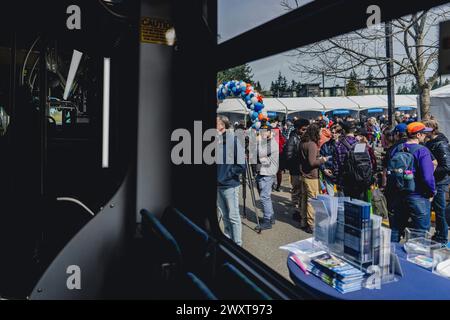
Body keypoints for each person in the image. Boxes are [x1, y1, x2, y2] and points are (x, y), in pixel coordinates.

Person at [387, 122, 436, 242]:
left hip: (399, 195)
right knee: (420, 233)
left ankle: (392, 255)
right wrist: (431, 192)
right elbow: (427, 177)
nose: (425, 135)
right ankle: (416, 258)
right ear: (418, 135)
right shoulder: (422, 151)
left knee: (396, 229)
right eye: (424, 133)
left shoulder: (397, 148)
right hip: (417, 196)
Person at [217, 115, 245, 246]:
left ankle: (238, 245)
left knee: (233, 217)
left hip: (229, 185)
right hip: (218, 185)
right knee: (225, 217)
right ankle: (228, 243)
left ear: (222, 125)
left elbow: (241, 165)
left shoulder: (233, 141)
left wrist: (226, 175)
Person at [423, 119, 450, 246]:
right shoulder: (430, 142)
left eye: (425, 129)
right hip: (434, 181)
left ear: (431, 129)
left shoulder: (441, 144)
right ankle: (439, 235)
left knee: (440, 211)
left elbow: (446, 167)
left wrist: (429, 171)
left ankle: (442, 238)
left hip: (440, 182)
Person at [299, 123, 328, 233]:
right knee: (312, 200)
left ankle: (303, 221)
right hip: (311, 176)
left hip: (304, 175)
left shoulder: (303, 142)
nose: (321, 133)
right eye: (320, 131)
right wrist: (322, 160)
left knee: (304, 199)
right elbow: (312, 162)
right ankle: (311, 224)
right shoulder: (312, 144)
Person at [333, 120, 372, 200]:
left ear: (343, 130)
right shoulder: (360, 143)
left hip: (346, 180)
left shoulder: (339, 145)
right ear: (354, 131)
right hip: (361, 179)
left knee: (349, 206)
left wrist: (337, 181)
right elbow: (368, 161)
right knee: (360, 205)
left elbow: (337, 165)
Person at [255, 127, 279, 230]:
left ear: (270, 132)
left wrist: (258, 142)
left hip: (267, 173)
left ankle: (267, 221)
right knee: (266, 196)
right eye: (261, 132)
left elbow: (260, 153)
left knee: (264, 196)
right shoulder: (267, 141)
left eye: (265, 132)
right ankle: (271, 217)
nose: (262, 133)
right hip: (264, 171)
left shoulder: (271, 143)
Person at [285, 118, 309, 221]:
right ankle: (295, 211)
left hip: (302, 169)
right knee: (296, 191)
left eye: (306, 129)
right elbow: (289, 155)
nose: (305, 131)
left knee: (302, 192)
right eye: (303, 129)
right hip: (295, 170)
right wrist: (298, 161)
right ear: (298, 129)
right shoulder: (292, 138)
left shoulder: (304, 137)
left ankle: (300, 210)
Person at [320, 125, 339, 196]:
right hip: (328, 172)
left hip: (340, 174)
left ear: (339, 133)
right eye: (332, 132)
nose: (334, 134)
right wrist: (324, 169)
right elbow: (320, 158)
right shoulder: (325, 145)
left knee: (341, 196)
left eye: (335, 133)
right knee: (331, 195)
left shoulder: (343, 145)